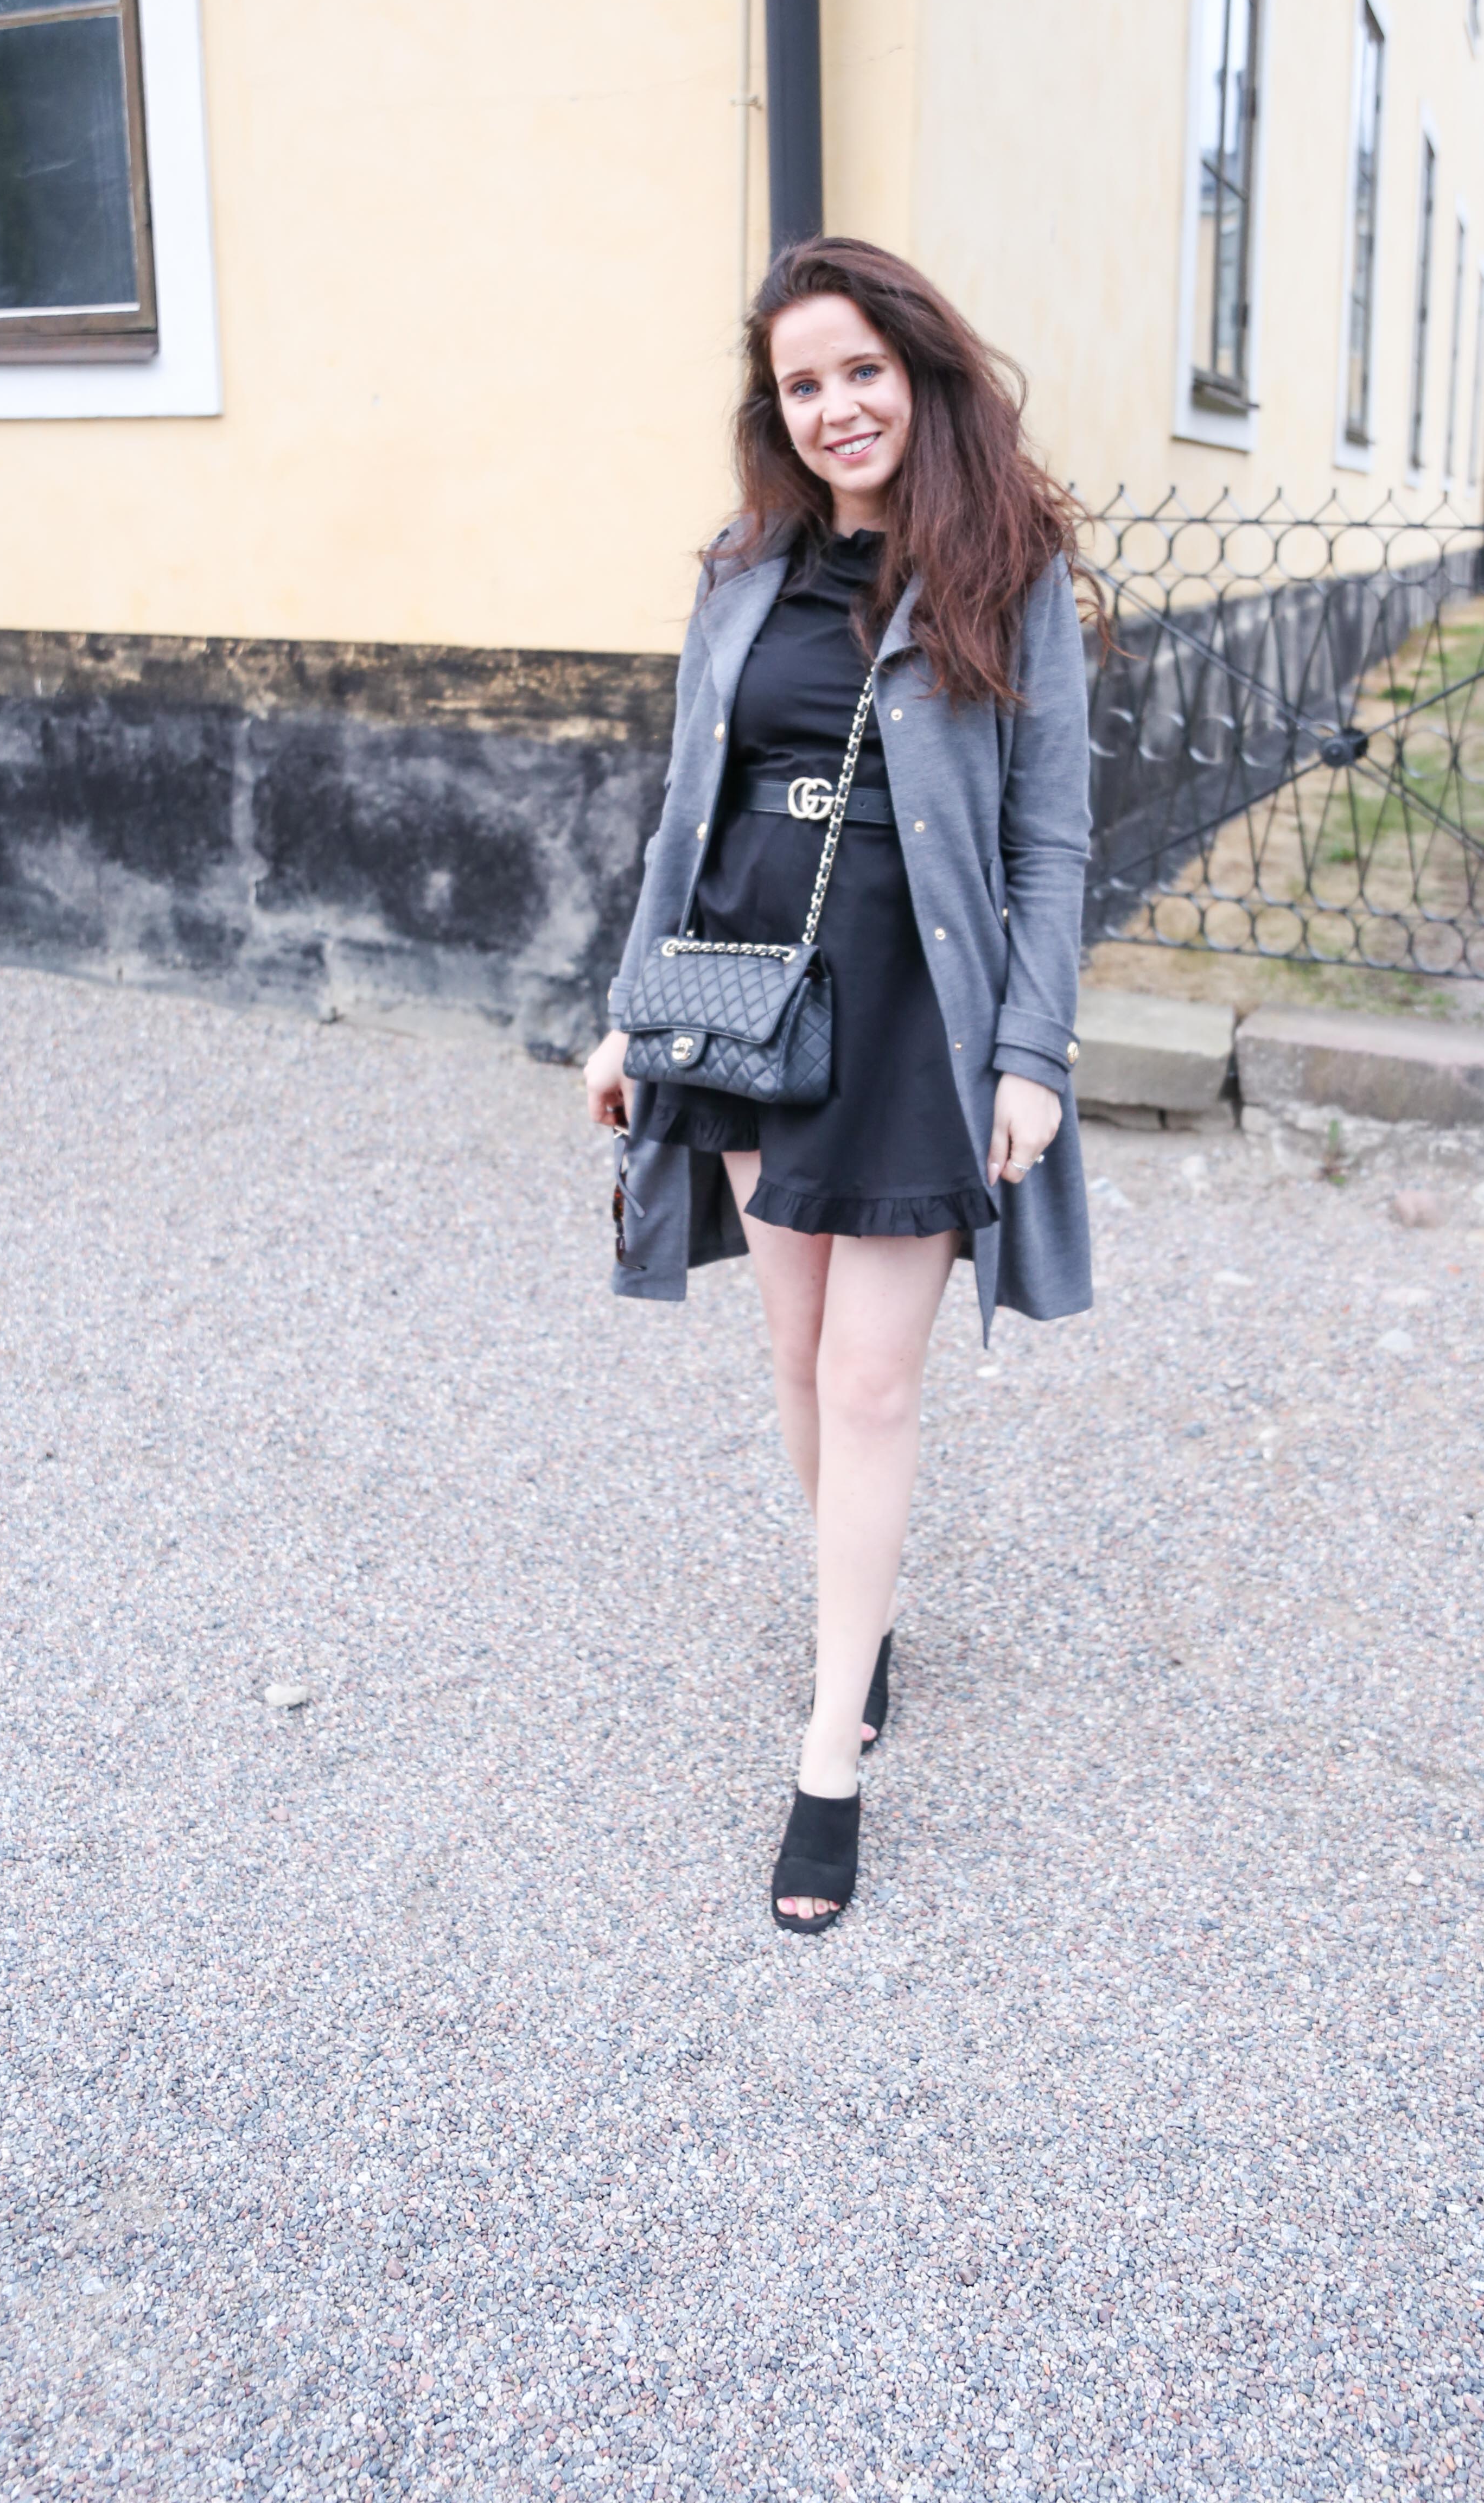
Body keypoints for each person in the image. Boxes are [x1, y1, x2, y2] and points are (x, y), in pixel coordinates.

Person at [584, 237, 1098, 1932]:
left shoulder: (1009, 569)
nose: (835, 408)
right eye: (803, 384)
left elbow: (1049, 840)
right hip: (749, 997)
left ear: (920, 374)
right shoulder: (744, 571)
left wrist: (1032, 1054)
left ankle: (828, 1753)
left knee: (874, 1383)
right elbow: (687, 813)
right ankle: (856, 1622)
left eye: (861, 370)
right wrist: (632, 1019)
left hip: (915, 1011)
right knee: (798, 1356)